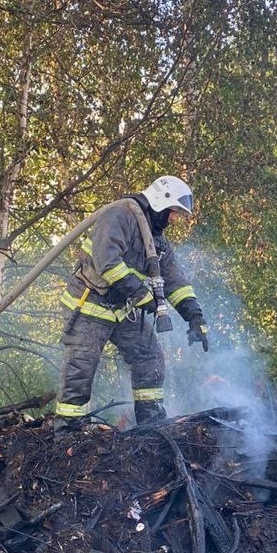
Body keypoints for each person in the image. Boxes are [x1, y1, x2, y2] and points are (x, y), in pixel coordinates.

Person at [54, 175, 208, 433]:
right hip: (90, 306)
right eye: (174, 212)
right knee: (80, 370)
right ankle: (68, 435)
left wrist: (194, 316)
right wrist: (141, 295)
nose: (174, 219)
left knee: (150, 358)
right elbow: (107, 262)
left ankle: (151, 425)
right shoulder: (119, 215)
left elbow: (174, 281)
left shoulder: (156, 240)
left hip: (123, 311)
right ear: (161, 201)